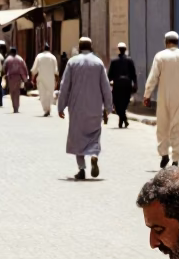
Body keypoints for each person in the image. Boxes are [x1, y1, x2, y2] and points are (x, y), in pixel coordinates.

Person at [57, 37, 113, 180]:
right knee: (94, 135)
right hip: (95, 107)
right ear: (91, 46)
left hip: (77, 108)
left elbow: (64, 86)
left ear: (80, 47)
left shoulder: (72, 62)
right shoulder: (98, 63)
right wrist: (108, 107)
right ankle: (94, 155)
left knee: (78, 137)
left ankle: (81, 169)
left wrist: (61, 106)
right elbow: (106, 87)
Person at [143, 31, 179, 168]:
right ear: (177, 42)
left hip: (164, 97)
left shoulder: (160, 56)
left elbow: (153, 78)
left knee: (162, 126)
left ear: (166, 42)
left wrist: (147, 95)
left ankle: (164, 154)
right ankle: (175, 159)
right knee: (178, 128)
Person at [108, 42, 137, 128]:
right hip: (126, 85)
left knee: (117, 103)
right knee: (124, 103)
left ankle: (122, 120)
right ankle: (124, 119)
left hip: (118, 85)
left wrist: (108, 83)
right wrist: (135, 84)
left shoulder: (114, 61)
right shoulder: (130, 60)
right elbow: (134, 74)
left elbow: (109, 75)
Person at [30, 43, 58, 117]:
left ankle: (46, 110)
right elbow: (56, 70)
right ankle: (48, 109)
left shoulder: (39, 56)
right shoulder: (53, 57)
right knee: (49, 94)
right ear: (49, 49)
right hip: (51, 79)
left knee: (43, 95)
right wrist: (57, 80)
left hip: (41, 78)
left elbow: (34, 69)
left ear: (43, 49)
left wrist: (32, 77)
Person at [2, 46, 29, 113]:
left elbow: (4, 68)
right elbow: (24, 67)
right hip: (18, 77)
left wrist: (5, 75)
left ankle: (14, 106)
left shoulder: (8, 59)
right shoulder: (20, 59)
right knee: (17, 92)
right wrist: (25, 77)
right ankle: (16, 107)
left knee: (12, 92)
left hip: (11, 77)